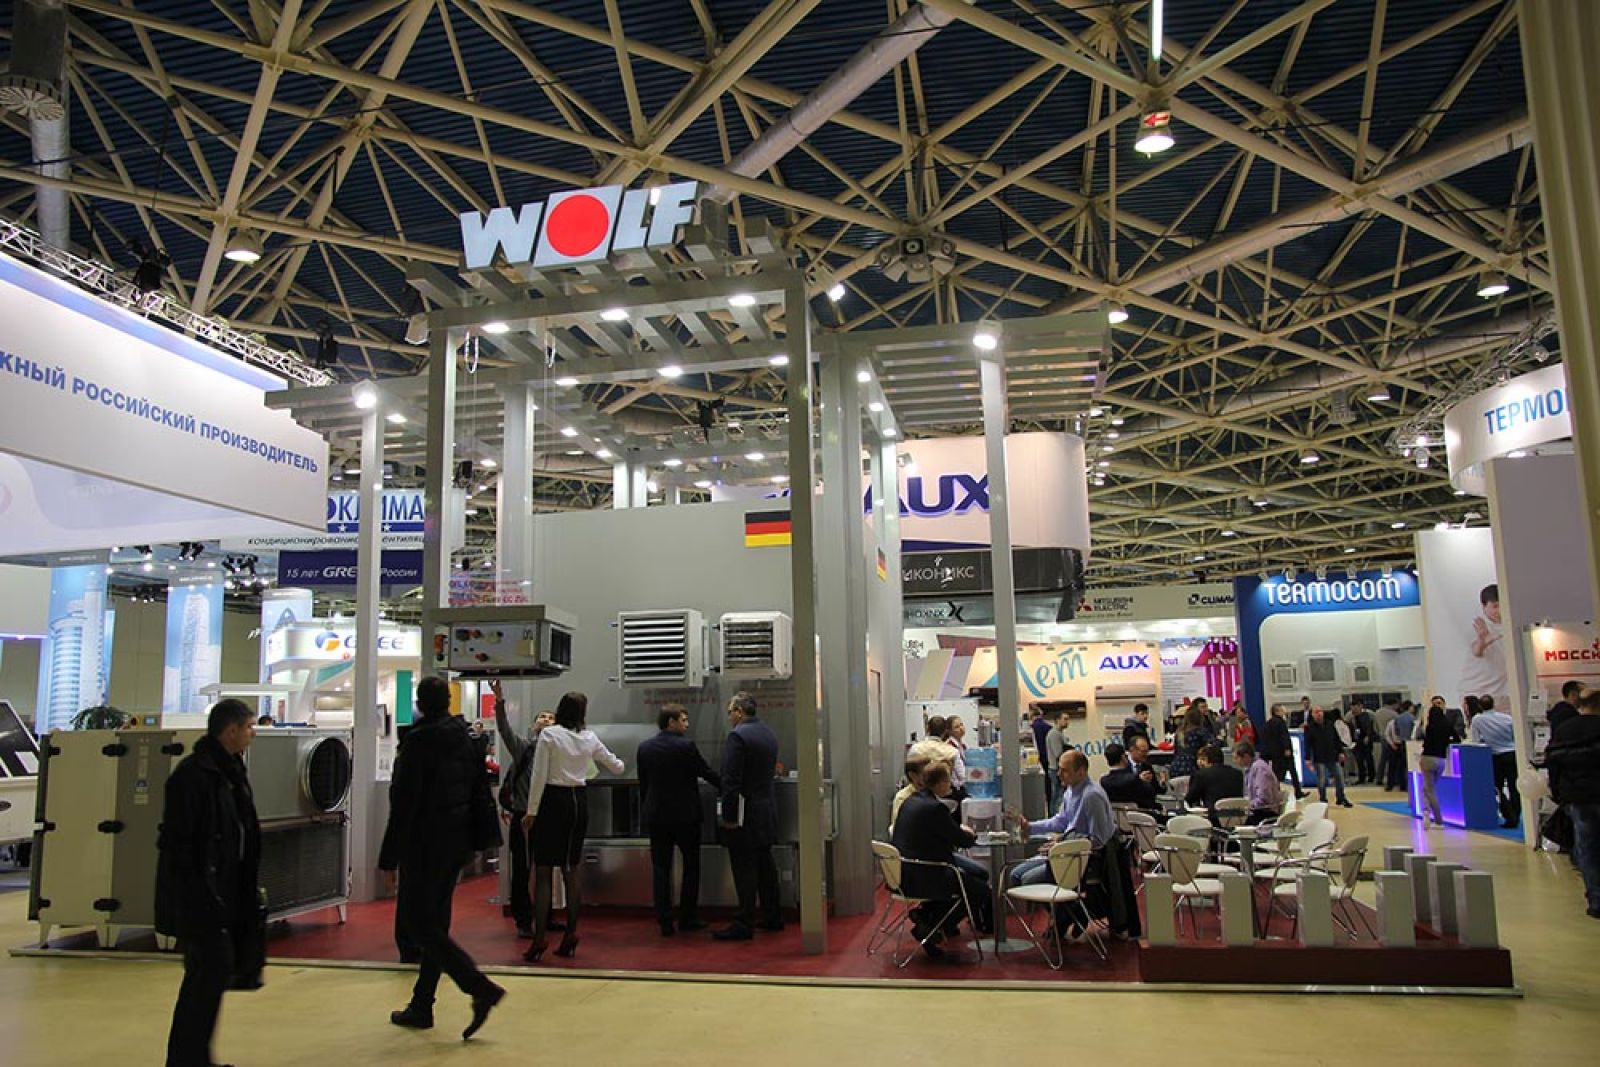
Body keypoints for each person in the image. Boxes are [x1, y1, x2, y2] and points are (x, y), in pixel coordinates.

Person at [380, 677, 505, 1040]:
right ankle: (422, 1004)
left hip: (424, 843)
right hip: (457, 840)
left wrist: (389, 857)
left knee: (419, 926)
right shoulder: (464, 737)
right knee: (436, 923)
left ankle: (479, 987)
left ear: (420, 704)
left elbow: (404, 804)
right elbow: (478, 788)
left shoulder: (419, 742)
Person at [158, 699, 262, 1067]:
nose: (252, 734)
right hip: (202, 895)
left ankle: (194, 1057)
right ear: (230, 731)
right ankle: (186, 1059)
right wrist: (202, 893)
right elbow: (181, 845)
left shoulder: (230, 772)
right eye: (248, 727)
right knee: (206, 975)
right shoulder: (193, 777)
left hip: (225, 891)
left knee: (211, 976)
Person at [521, 691, 623, 962]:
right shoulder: (589, 737)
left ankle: (539, 939)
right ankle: (570, 933)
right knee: (571, 868)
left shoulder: (550, 735)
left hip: (553, 802)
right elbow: (617, 766)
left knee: (544, 870)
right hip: (579, 802)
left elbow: (539, 775)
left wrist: (532, 811)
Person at [636, 703, 720, 936]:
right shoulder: (686, 746)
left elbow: (644, 784)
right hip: (685, 816)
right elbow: (705, 772)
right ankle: (687, 917)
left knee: (661, 867)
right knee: (691, 866)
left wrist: (647, 809)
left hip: (656, 815)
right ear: (671, 722)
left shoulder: (645, 748)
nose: (687, 725)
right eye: (683, 720)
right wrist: (728, 785)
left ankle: (664, 919)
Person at [891, 761, 989, 956]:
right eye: (948, 780)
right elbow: (963, 841)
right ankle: (933, 926)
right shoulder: (936, 808)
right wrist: (970, 833)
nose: (951, 785)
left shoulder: (910, 801)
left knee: (972, 877)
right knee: (980, 891)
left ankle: (927, 916)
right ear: (942, 783)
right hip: (927, 874)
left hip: (904, 873)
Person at [715, 692, 783, 941]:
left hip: (745, 814)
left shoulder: (738, 736)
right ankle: (773, 915)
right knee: (765, 865)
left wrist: (729, 816)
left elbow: (731, 780)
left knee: (744, 868)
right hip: (766, 810)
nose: (729, 717)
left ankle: (744, 922)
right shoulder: (767, 733)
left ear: (739, 711)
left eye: (730, 712)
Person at [491, 681, 555, 938]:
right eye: (542, 717)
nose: (546, 720)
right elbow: (504, 730)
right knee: (522, 869)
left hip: (549, 815)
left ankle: (546, 915)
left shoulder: (559, 750)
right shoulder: (524, 748)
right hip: (524, 816)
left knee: (547, 867)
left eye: (551, 718)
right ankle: (523, 919)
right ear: (534, 724)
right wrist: (499, 703)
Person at [1009, 751, 1115, 890]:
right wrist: (1030, 827)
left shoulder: (1092, 796)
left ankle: (1061, 903)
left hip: (1082, 859)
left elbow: (1098, 840)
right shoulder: (1070, 791)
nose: (1059, 774)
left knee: (1027, 879)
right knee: (1015, 875)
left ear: (1081, 772)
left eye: (1064, 770)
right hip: (1065, 851)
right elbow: (1060, 822)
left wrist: (1062, 844)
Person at [1545, 689, 1600, 918]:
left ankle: (1596, 899)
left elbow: (1553, 764)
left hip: (1578, 798)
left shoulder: (1565, 729)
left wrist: (1559, 794)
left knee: (1587, 848)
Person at [1468, 695, 1521, 828]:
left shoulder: (1477, 720)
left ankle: (1509, 815)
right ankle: (1516, 813)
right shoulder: (1507, 718)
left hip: (1495, 756)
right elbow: (1515, 736)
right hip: (1511, 754)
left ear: (1480, 706)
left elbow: (1476, 741)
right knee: (1514, 787)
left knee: (1498, 788)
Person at [1459, 584, 1508, 709]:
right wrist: (1483, 641)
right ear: (1483, 606)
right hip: (1477, 692)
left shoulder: (1510, 624)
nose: (1499, 610)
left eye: (1502, 605)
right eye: (1495, 606)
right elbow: (1477, 651)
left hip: (1502, 692)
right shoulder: (1478, 626)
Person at [1417, 701, 1464, 829]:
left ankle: (1437, 819)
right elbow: (1457, 739)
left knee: (1429, 790)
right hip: (1441, 760)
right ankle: (1426, 812)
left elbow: (1424, 740)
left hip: (1427, 758)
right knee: (1427, 788)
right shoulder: (1447, 725)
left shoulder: (1430, 727)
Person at [1303, 705, 1351, 808]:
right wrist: (1307, 758)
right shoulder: (1309, 728)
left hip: (1332, 756)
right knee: (1322, 780)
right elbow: (1307, 744)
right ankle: (1323, 799)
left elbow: (1336, 739)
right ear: (1312, 715)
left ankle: (1341, 797)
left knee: (1339, 777)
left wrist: (1340, 752)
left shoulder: (1330, 724)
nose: (1319, 714)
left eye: (1320, 711)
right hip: (1319, 757)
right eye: (1316, 712)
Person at [1258, 702, 1305, 799]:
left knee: (1277, 774)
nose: (1284, 711)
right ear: (1277, 711)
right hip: (1283, 753)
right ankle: (1297, 792)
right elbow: (1284, 737)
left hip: (1274, 753)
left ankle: (1276, 792)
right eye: (1282, 710)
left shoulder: (1268, 724)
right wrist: (1287, 748)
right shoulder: (1280, 723)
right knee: (1292, 771)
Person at [1185, 744, 1245, 820]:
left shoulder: (1201, 775)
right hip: (1238, 818)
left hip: (1213, 819)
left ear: (1210, 760)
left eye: (1202, 759)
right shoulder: (1238, 774)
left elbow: (1189, 799)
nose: (1198, 762)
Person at [1101, 741, 1161, 812]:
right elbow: (1150, 794)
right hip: (1139, 814)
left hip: (1115, 816)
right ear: (1123, 757)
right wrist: (1143, 782)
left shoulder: (1103, 781)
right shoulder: (1132, 779)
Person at [1236, 741, 1282, 823]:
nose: (1235, 761)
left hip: (1265, 813)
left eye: (1236, 758)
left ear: (1246, 756)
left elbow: (1263, 798)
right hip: (1257, 810)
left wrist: (1247, 805)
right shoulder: (1251, 768)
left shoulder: (1260, 768)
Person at [1168, 705, 1214, 780]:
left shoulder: (1179, 732)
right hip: (1193, 767)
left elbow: (1176, 751)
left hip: (1176, 767)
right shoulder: (1201, 732)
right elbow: (1213, 744)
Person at [890, 754, 930, 834]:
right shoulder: (902, 797)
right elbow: (899, 827)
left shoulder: (931, 790)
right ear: (912, 775)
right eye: (925, 774)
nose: (930, 777)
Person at [1385, 701, 1417, 792]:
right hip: (1406, 744)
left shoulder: (1395, 720)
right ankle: (1403, 785)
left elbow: (1388, 734)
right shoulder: (1412, 719)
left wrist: (1392, 743)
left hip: (1396, 743)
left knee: (1393, 766)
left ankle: (1390, 785)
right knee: (1403, 766)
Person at [1349, 702, 1376, 785]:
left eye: (1355, 708)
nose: (1353, 710)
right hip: (1357, 741)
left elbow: (1369, 727)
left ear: (1360, 707)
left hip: (1366, 740)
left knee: (1368, 759)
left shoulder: (1367, 716)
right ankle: (1362, 777)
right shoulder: (1352, 718)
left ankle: (1371, 776)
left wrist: (1368, 736)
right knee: (1359, 760)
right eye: (1352, 709)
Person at [1373, 701, 1398, 789]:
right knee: (1393, 761)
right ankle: (1394, 779)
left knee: (1382, 760)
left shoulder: (1377, 712)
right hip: (1391, 738)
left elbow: (1375, 727)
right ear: (1394, 704)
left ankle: (1379, 778)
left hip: (1382, 737)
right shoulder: (1394, 714)